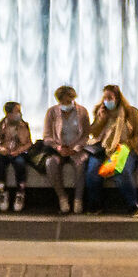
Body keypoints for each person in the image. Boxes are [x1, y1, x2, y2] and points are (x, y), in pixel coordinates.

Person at [84, 84, 138, 216]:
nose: (107, 101)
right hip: (103, 149)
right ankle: (95, 204)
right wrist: (101, 120)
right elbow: (93, 133)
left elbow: (137, 134)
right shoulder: (100, 112)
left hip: (126, 148)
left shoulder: (131, 112)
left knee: (122, 171)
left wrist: (122, 147)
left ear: (117, 98)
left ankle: (133, 204)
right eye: (105, 98)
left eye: (110, 98)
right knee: (92, 172)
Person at [37, 85, 92, 213]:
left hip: (76, 149)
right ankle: (62, 197)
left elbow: (85, 135)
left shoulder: (82, 112)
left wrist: (76, 148)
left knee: (81, 164)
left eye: (69, 101)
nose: (66, 104)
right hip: (59, 149)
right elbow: (47, 136)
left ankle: (78, 199)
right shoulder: (52, 112)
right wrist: (58, 147)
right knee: (51, 163)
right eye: (63, 102)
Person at [0, 101, 33, 210]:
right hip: (4, 153)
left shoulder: (23, 125)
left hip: (18, 152)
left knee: (20, 163)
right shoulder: (0, 126)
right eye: (17, 111)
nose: (20, 114)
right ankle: (3, 191)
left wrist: (19, 150)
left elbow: (28, 143)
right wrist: (0, 149)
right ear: (9, 114)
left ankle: (20, 192)